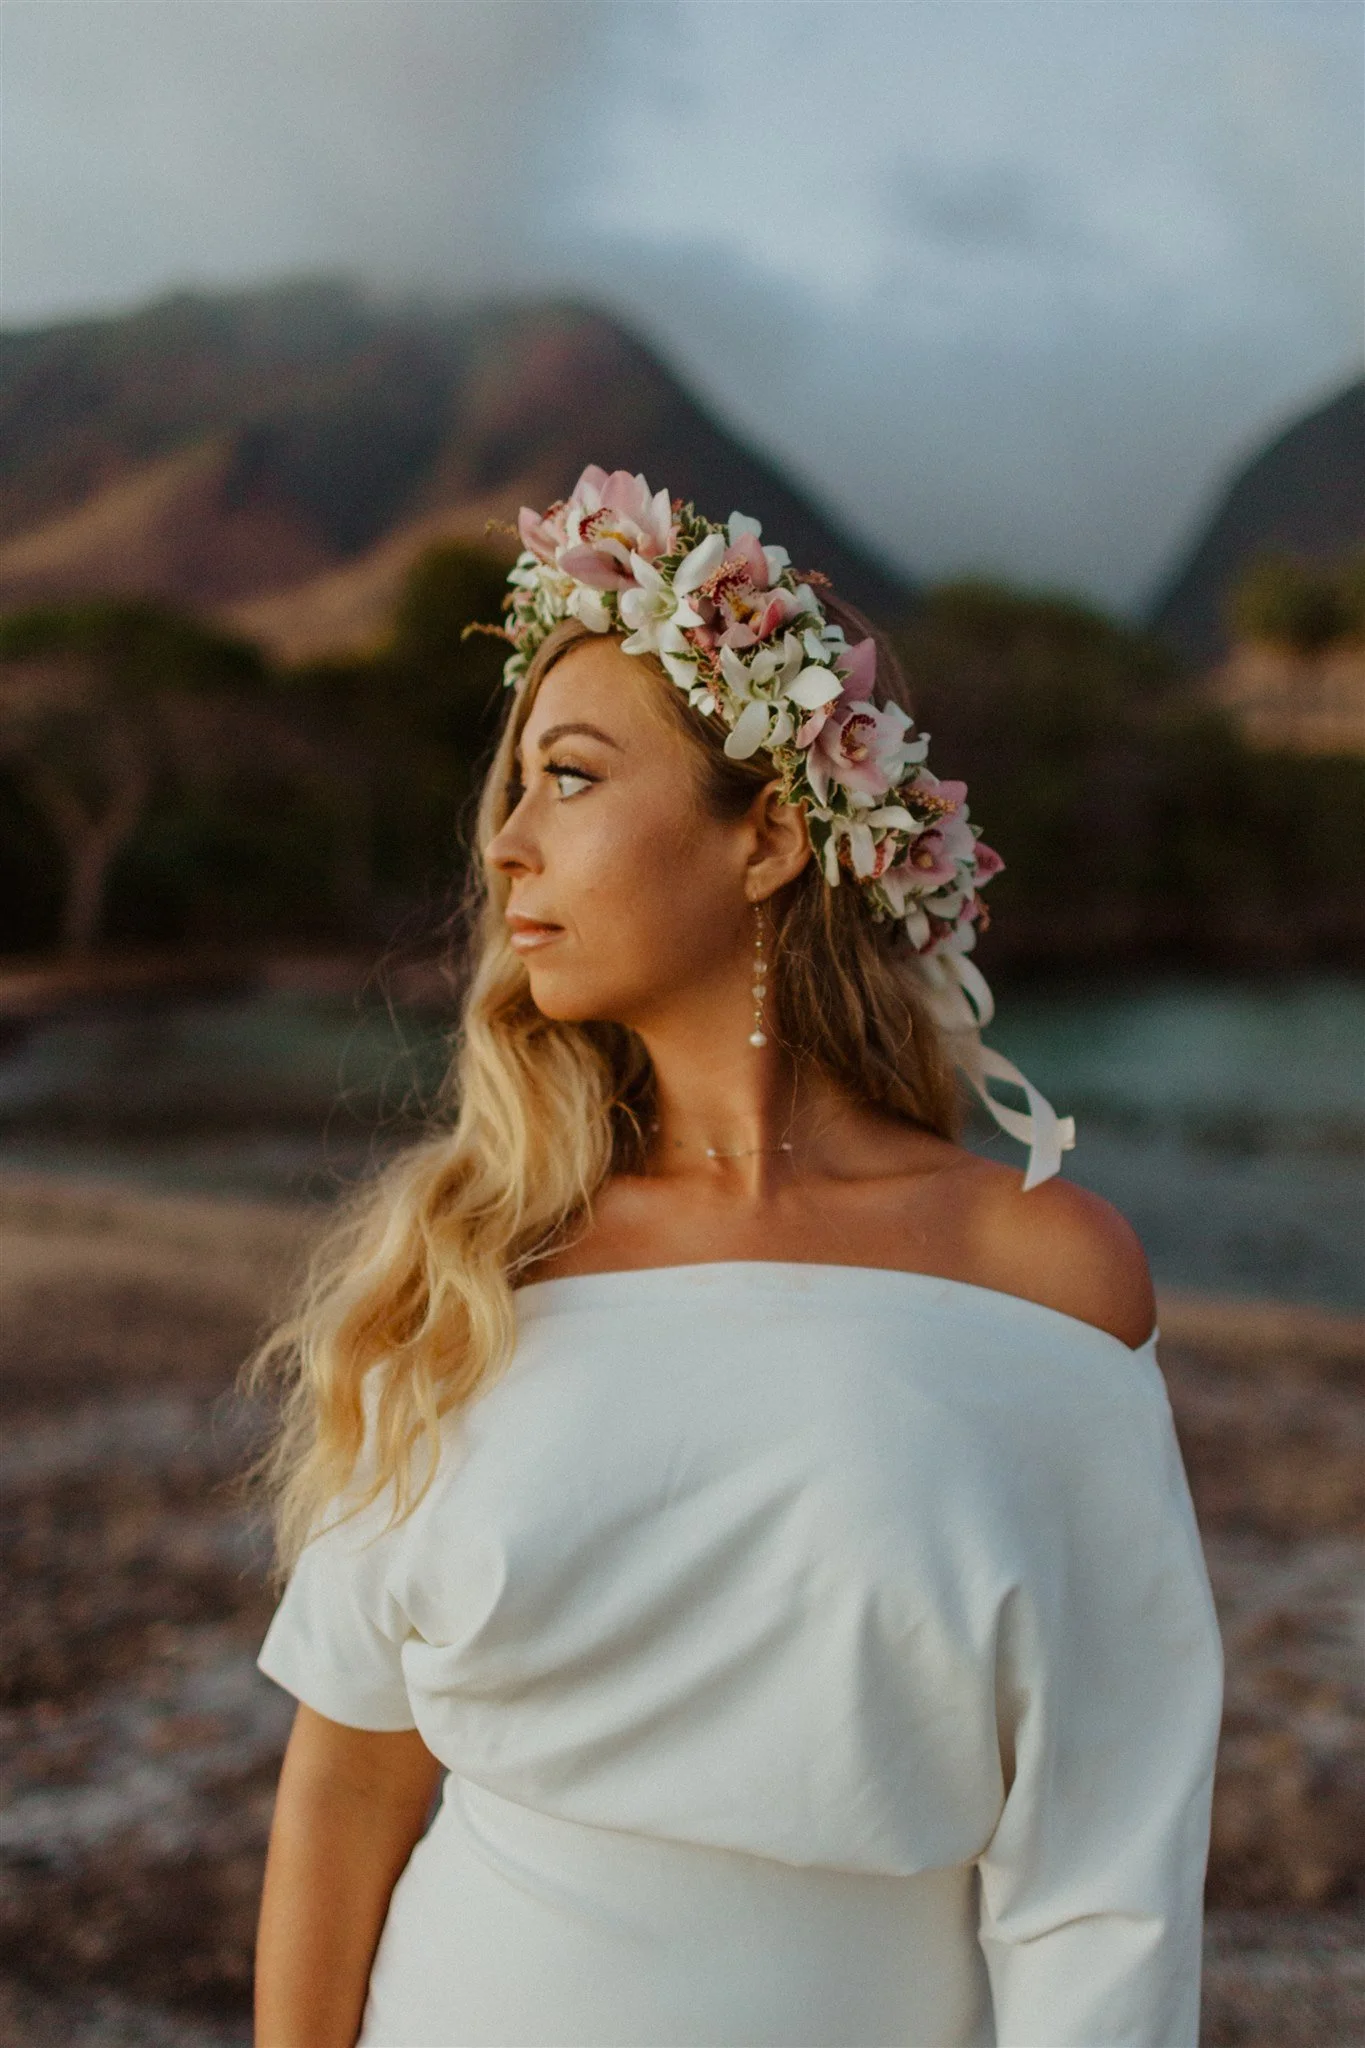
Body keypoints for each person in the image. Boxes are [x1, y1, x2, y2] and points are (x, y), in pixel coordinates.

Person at [250, 466, 1223, 2048]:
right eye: (512, 788)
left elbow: (1100, 1872)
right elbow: (351, 1781)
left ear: (771, 832)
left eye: (567, 777)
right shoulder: (473, 1266)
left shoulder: (1041, 1275)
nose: (504, 845)